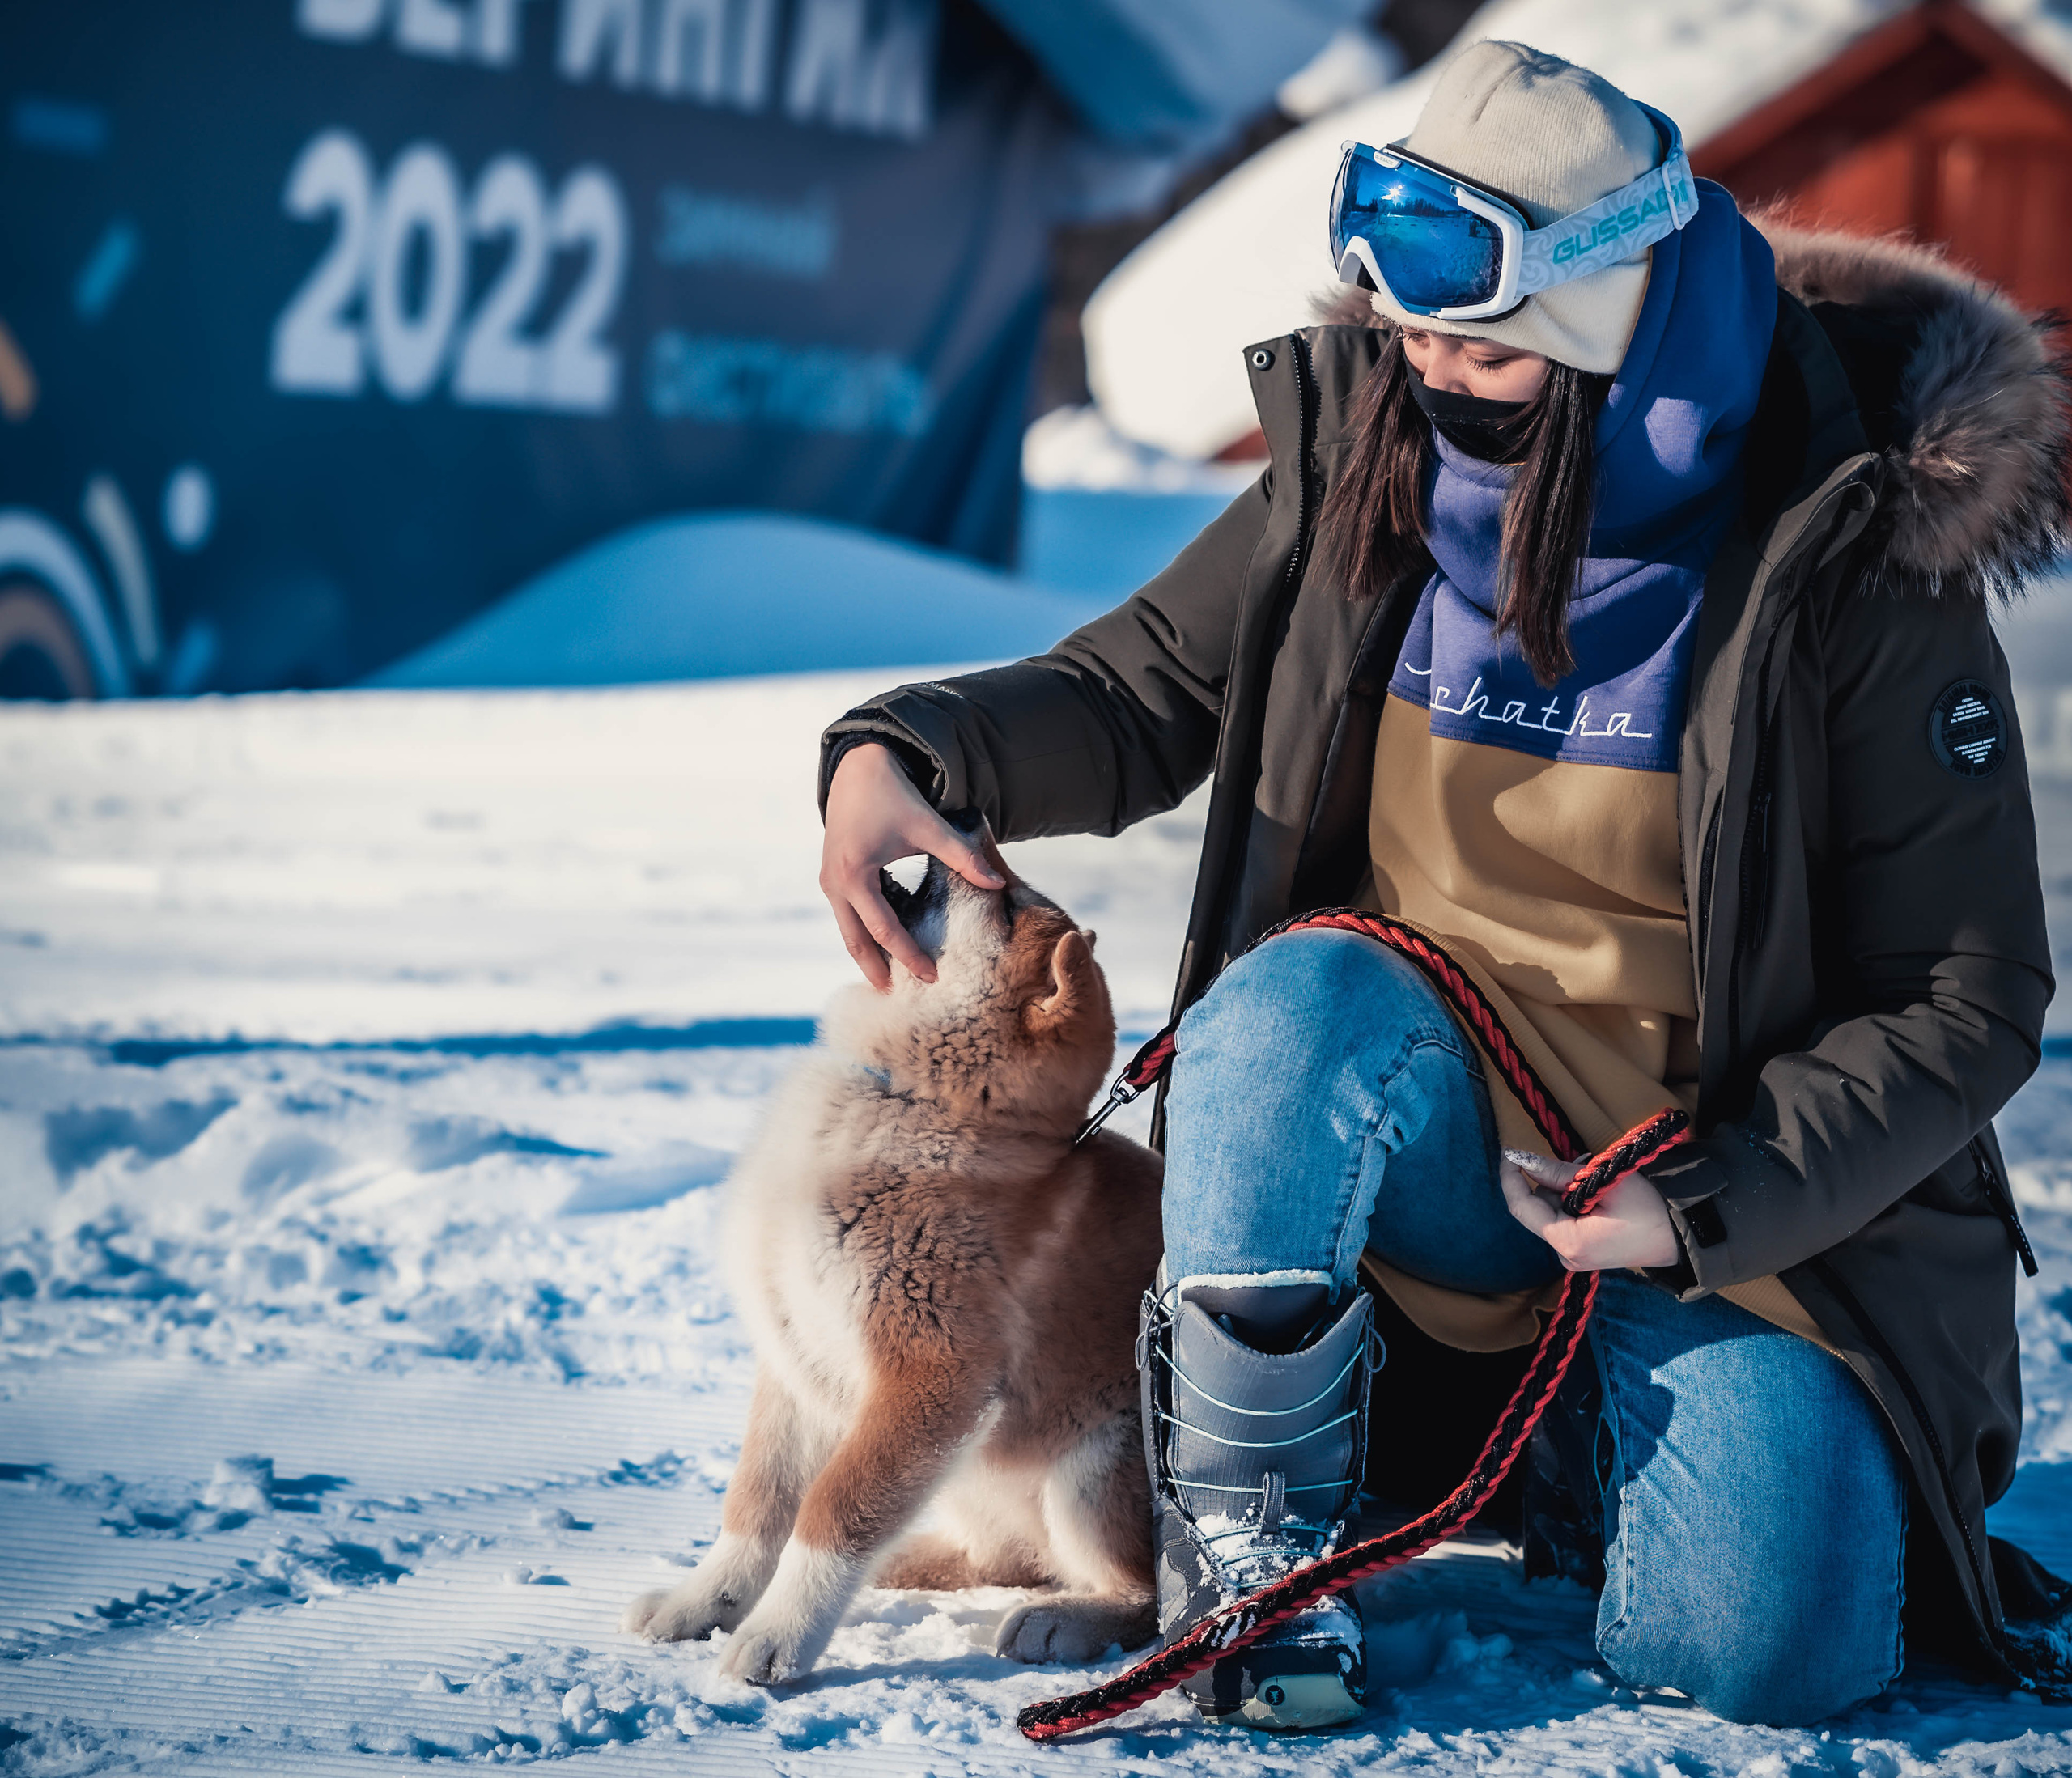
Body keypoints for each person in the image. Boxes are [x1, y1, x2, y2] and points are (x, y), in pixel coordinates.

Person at [817, 41, 2071, 1730]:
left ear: (1608, 306)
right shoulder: (1372, 461)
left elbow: (1964, 994)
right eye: (1395, 323)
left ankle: (1576, 1448)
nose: (1417, 365)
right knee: (1289, 996)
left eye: (1468, 330)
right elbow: (1138, 690)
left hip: (1718, 1209)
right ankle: (1250, 1546)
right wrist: (908, 751)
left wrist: (1701, 1204)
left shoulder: (1838, 542)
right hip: (1419, 1142)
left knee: (1767, 1659)